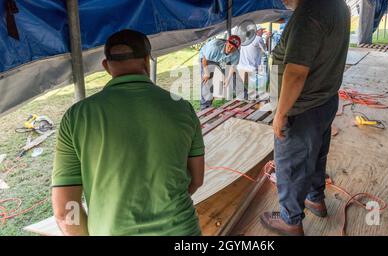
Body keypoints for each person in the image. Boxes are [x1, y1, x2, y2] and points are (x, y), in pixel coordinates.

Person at [52, 29, 205, 236]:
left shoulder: (77, 117)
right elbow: (196, 180)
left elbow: (65, 210)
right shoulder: (182, 108)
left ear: (106, 66)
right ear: (146, 61)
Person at [260, 0, 350, 236]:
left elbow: (296, 72)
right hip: (325, 100)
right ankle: (315, 198)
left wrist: (281, 113)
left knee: (290, 165)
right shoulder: (334, 2)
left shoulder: (309, 12)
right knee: (316, 154)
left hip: (302, 107)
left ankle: (290, 221)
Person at [199, 35, 241, 110]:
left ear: (237, 48)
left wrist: (228, 78)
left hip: (222, 60)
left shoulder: (236, 53)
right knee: (207, 80)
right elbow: (204, 60)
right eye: (229, 45)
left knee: (233, 75)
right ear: (226, 42)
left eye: (233, 48)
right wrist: (206, 73)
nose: (230, 48)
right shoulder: (214, 47)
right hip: (207, 59)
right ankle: (205, 106)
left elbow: (232, 67)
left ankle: (242, 94)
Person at [236, 27, 269, 99]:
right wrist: (267, 38)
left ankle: (242, 101)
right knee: (251, 91)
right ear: (257, 31)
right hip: (251, 67)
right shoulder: (258, 38)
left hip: (241, 66)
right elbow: (266, 49)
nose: (262, 32)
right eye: (261, 30)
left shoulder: (244, 38)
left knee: (242, 89)